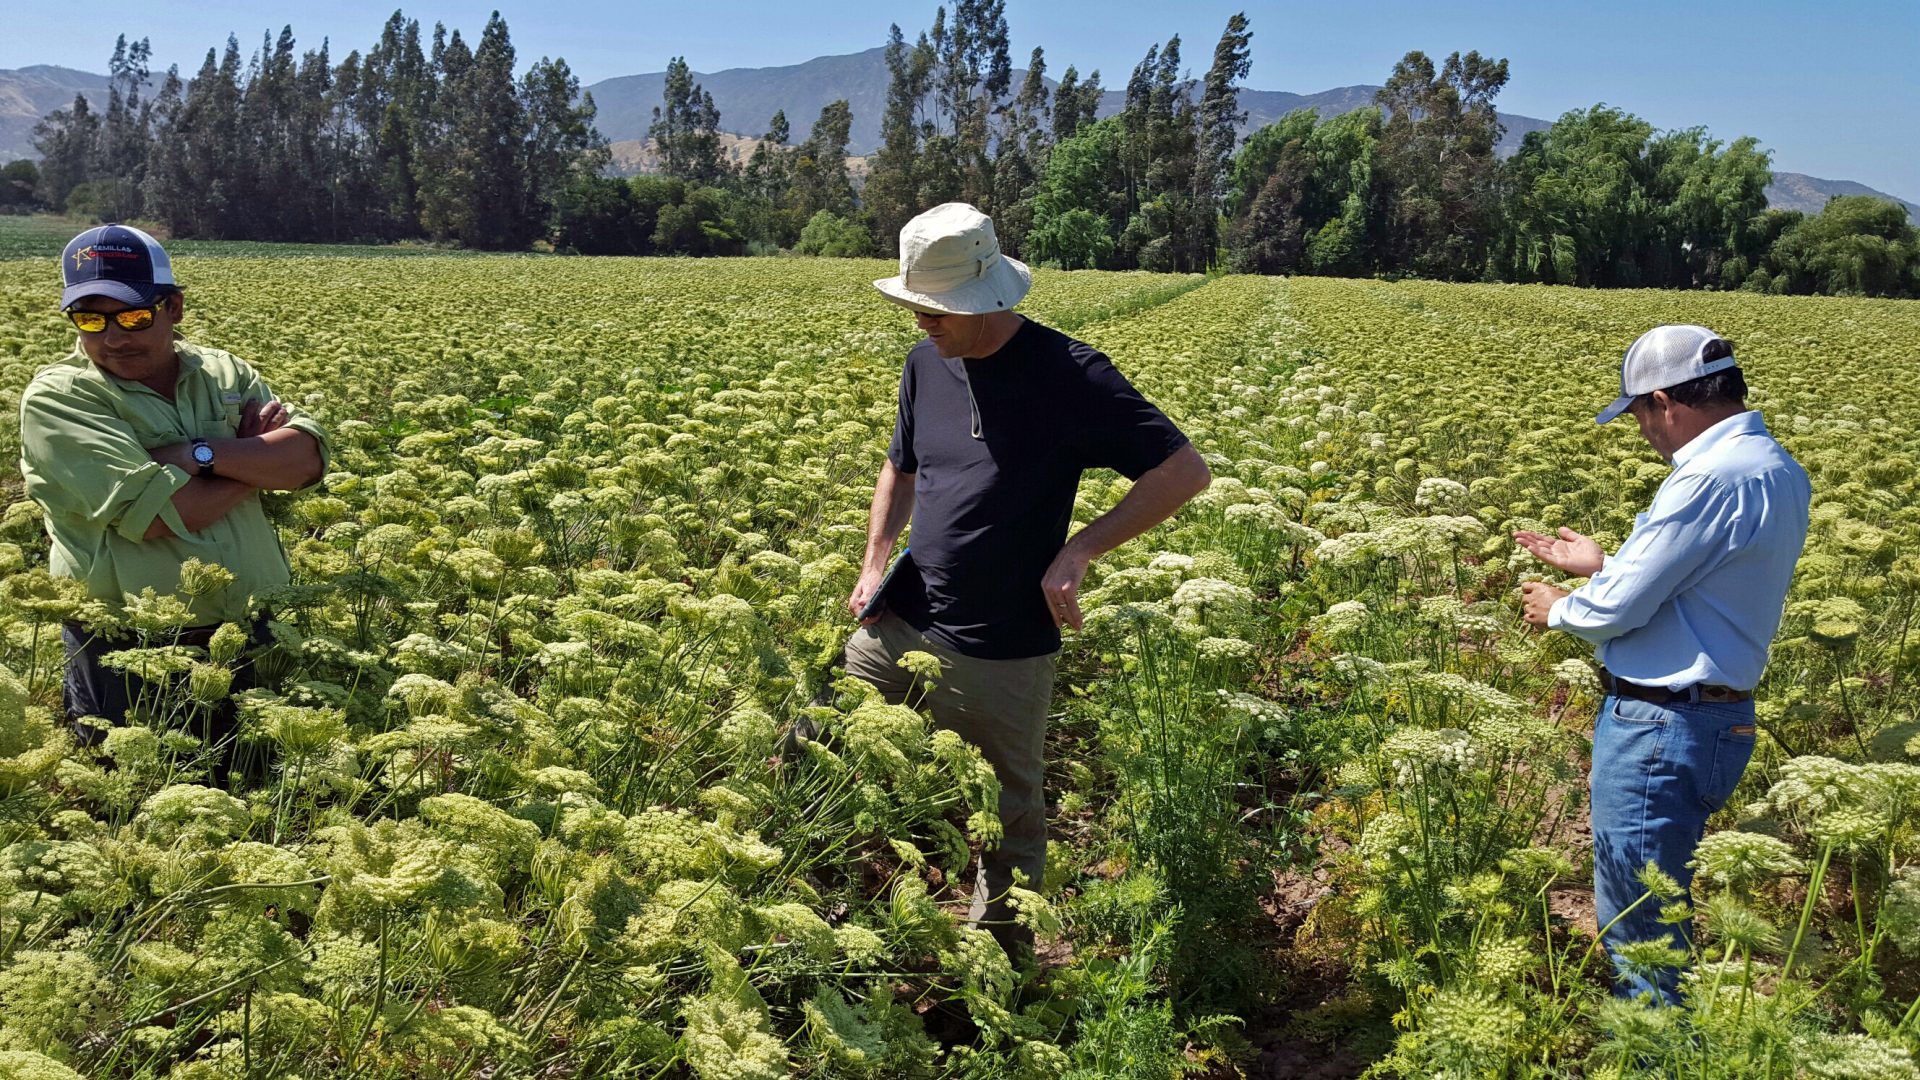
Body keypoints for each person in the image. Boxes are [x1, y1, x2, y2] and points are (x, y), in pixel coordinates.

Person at [842, 202, 1211, 952]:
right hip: (901, 617)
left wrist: (1079, 551)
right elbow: (899, 467)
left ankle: (997, 976)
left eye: (938, 310)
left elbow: (1184, 471)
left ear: (989, 297)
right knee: (824, 745)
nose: (923, 323)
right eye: (916, 307)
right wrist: (875, 560)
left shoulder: (1071, 374)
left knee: (1009, 813)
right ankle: (850, 916)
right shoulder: (926, 363)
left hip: (1002, 646)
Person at [1516, 324, 1810, 1004]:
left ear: (1662, 400)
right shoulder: (1775, 466)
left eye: (1639, 416)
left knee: (1638, 927)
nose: (1642, 432)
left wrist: (1563, 606)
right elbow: (1703, 588)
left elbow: (1615, 613)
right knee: (1660, 910)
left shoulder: (1707, 477)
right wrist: (1607, 566)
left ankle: (1655, 1053)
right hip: (1717, 720)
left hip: (1661, 727)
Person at [19, 223, 330, 784]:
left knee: (263, 792)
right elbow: (172, 515)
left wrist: (196, 453)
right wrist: (253, 461)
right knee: (139, 805)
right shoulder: (60, 398)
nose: (113, 337)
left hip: (250, 632)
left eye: (133, 316)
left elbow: (305, 461)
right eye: (91, 318)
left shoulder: (224, 372)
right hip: (132, 649)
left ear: (174, 308)